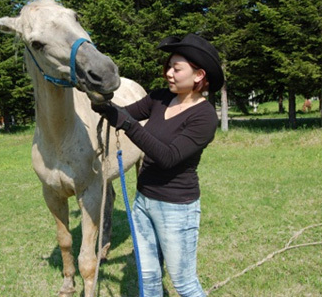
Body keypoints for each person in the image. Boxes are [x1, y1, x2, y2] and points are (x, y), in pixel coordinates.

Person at [92, 33, 224, 297]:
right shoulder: (160, 97)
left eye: (177, 69)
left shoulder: (204, 116)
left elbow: (168, 157)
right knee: (149, 277)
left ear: (199, 75)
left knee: (184, 283)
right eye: (168, 68)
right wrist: (97, 97)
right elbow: (124, 112)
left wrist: (127, 125)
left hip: (176, 209)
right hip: (143, 202)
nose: (169, 74)